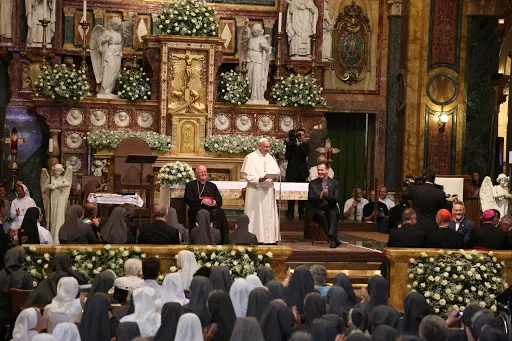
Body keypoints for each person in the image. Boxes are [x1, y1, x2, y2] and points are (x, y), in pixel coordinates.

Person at [242, 138, 281, 244]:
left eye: (268, 147)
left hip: (268, 191)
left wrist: (274, 177)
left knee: (268, 215)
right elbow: (246, 175)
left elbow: (277, 172)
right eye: (265, 147)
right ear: (259, 146)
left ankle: (269, 239)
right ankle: (255, 237)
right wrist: (259, 179)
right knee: (256, 214)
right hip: (256, 190)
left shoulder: (271, 158)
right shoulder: (250, 157)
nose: (267, 149)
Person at [184, 165, 229, 244]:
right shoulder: (191, 185)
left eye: (205, 172)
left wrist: (215, 202)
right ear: (196, 174)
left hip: (211, 208)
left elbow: (219, 199)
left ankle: (220, 238)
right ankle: (197, 237)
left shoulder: (212, 185)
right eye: (201, 172)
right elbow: (188, 199)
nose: (203, 174)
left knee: (220, 211)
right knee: (201, 212)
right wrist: (201, 201)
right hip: (197, 208)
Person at [401, 169, 447, 234]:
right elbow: (441, 209)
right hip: (432, 226)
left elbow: (404, 195)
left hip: (417, 225)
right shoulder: (440, 193)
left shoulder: (416, 189)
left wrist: (411, 184)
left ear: (424, 178)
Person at [308, 161, 341, 248]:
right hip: (317, 209)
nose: (320, 172)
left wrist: (327, 195)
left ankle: (332, 239)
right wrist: (320, 196)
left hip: (331, 208)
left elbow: (336, 199)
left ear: (327, 170)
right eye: (318, 170)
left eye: (322, 170)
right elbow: (310, 198)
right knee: (321, 214)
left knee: (332, 213)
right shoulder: (312, 183)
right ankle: (333, 239)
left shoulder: (335, 183)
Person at [285, 129, 310, 219]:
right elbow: (286, 156)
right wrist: (290, 143)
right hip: (292, 172)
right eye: (298, 134)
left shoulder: (305, 145)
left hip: (301, 173)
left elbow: (305, 153)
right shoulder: (291, 145)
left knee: (301, 193)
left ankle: (301, 212)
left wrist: (299, 144)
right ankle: (290, 212)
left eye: (302, 135)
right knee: (290, 193)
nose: (300, 136)